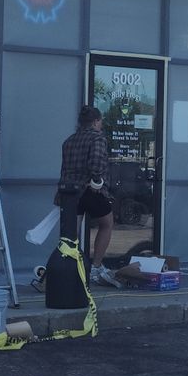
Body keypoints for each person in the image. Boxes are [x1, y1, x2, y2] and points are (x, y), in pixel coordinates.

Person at [57, 104, 122, 288]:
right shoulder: (97, 138)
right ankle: (95, 267)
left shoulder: (69, 140)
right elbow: (96, 163)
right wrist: (97, 181)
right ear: (95, 121)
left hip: (69, 191)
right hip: (90, 189)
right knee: (107, 223)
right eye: (100, 121)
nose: (101, 125)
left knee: (71, 233)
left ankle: (68, 268)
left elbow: (64, 168)